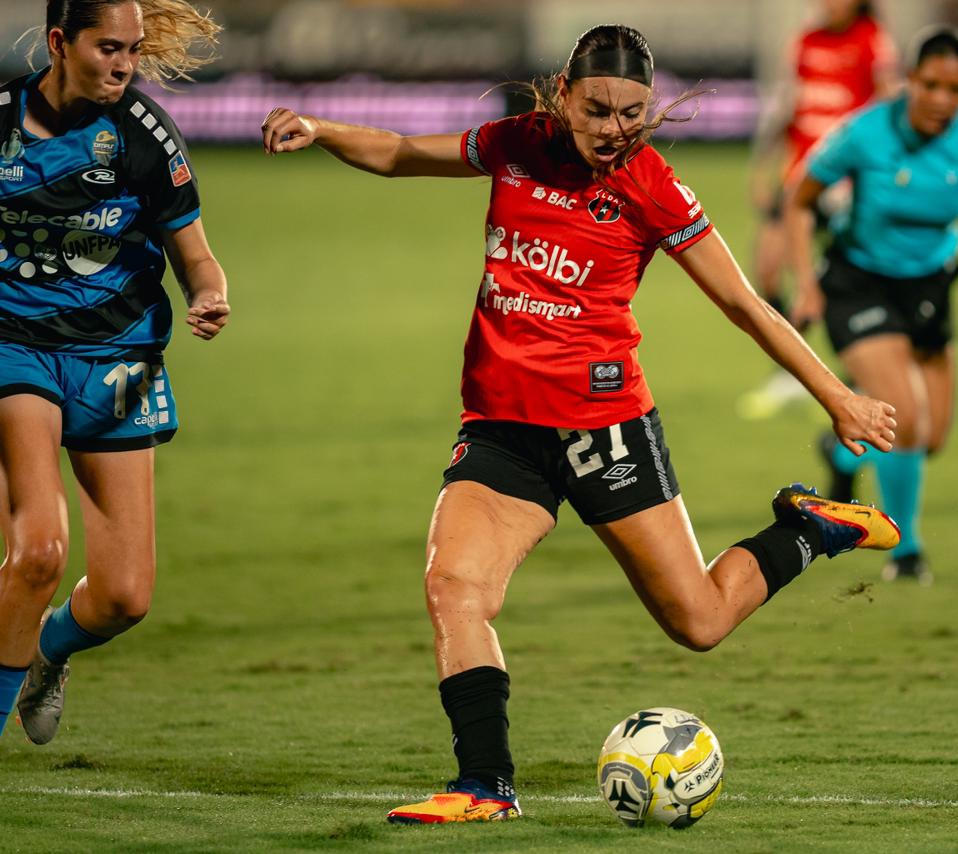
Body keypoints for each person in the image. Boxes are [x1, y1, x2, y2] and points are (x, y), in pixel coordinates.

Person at [262, 24, 899, 824]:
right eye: (598, 110)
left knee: (700, 622)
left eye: (632, 114)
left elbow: (744, 303)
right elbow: (397, 153)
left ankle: (807, 527)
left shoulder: (652, 185)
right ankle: (485, 785)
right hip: (502, 428)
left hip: (607, 431)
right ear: (563, 95)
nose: (614, 129)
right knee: (454, 588)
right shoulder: (516, 144)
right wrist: (320, 129)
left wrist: (837, 396)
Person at [0, 0, 227, 743]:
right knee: (39, 551)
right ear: (59, 42)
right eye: (108, 48)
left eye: (132, 49)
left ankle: (46, 651)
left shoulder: (142, 133)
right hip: (15, 347)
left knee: (124, 597)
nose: (125, 64)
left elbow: (197, 258)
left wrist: (208, 295)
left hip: (117, 358)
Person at [783, 25, 958, 583]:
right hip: (859, 284)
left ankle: (840, 454)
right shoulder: (866, 131)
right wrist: (806, 284)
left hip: (929, 288)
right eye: (930, 85)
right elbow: (800, 197)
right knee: (907, 420)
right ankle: (905, 552)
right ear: (909, 80)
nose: (942, 100)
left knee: (930, 438)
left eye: (955, 89)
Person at [737, 0, 898, 420]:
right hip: (799, 178)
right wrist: (762, 167)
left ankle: (859, 376)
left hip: (846, 183)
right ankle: (788, 374)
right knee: (767, 267)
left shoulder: (872, 41)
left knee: (849, 277)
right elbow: (790, 106)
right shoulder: (807, 39)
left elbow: (888, 110)